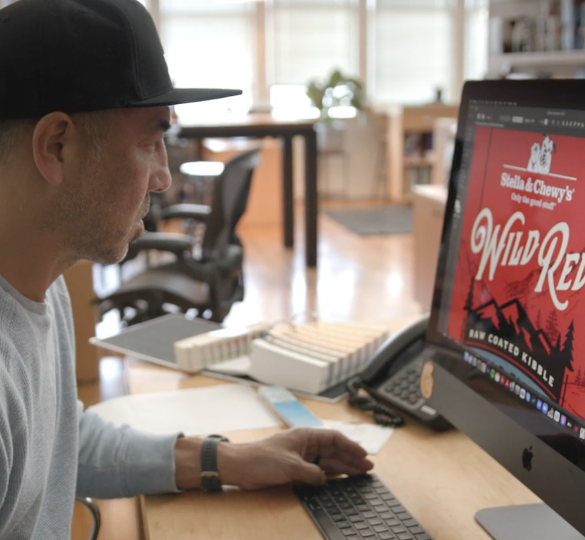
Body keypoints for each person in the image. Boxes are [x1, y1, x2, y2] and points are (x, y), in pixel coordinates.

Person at [0, 0, 373, 538]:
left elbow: (62, 442)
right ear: (56, 146)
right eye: (151, 143)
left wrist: (229, 460)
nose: (164, 177)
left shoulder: (43, 284)